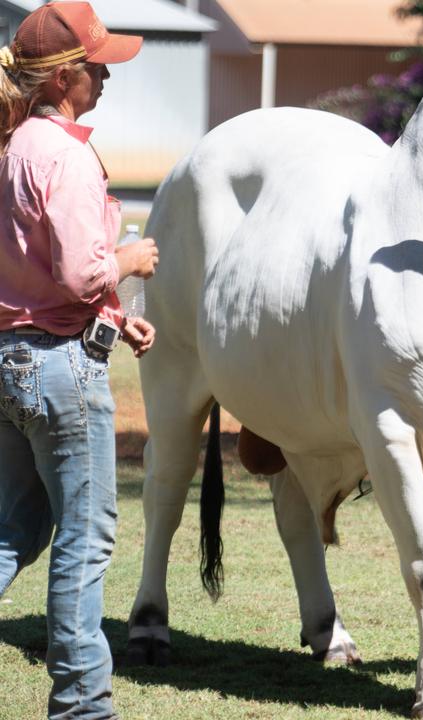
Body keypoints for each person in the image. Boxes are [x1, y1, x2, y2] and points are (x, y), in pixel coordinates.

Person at [0, 3, 157, 718]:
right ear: (65, 78)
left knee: (13, 530)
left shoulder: (13, 147)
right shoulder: (62, 154)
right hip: (61, 369)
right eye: (97, 66)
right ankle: (81, 706)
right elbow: (74, 274)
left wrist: (116, 319)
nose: (105, 76)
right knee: (85, 541)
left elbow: (29, 273)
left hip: (12, 359)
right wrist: (127, 261)